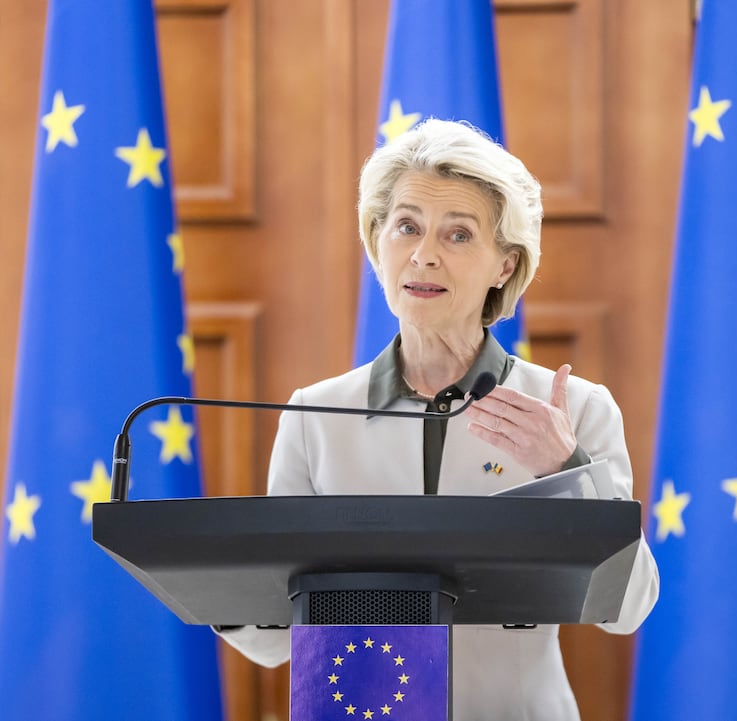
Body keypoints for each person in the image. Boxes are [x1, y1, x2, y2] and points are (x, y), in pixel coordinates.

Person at [216, 118, 659, 721]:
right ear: (379, 242)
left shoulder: (576, 410)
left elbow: (629, 606)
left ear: (504, 265)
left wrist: (570, 469)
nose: (423, 255)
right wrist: (213, 580)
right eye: (406, 227)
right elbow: (274, 642)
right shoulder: (313, 416)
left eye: (458, 235)